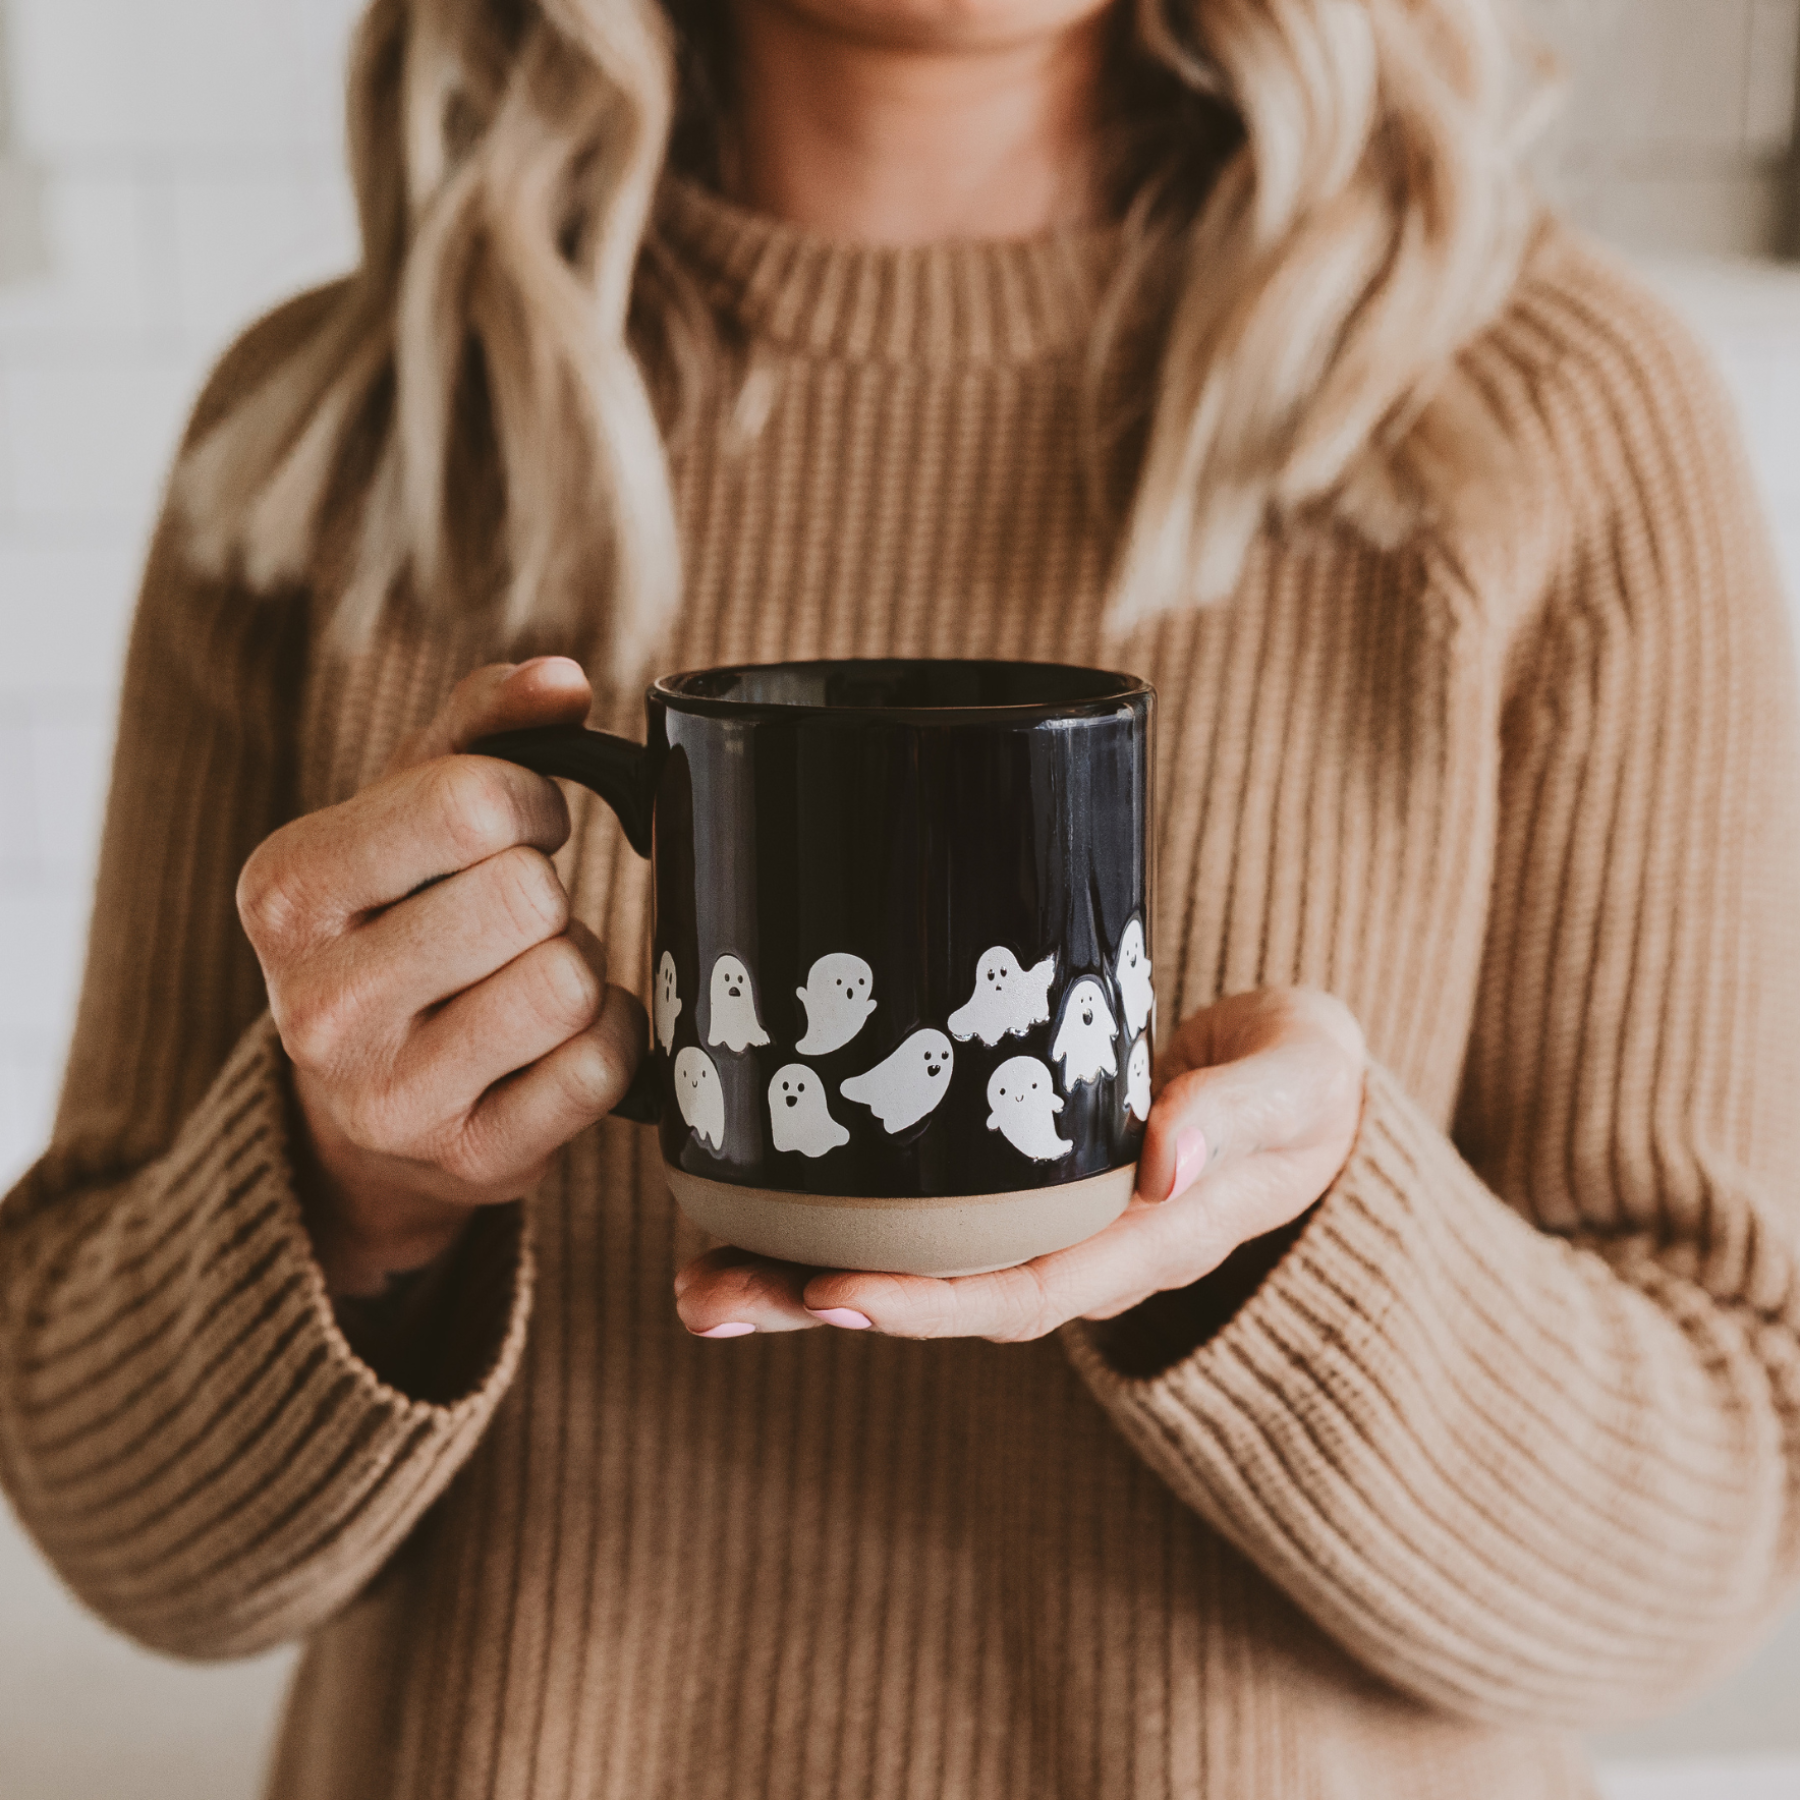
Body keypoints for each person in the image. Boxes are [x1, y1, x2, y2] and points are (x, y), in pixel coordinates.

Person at [2, 0, 1797, 1794]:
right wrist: (351, 1198)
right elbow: (120, 1533)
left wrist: (1286, 1246)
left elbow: (1712, 1539)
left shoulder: (1560, 420)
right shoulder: (335, 439)